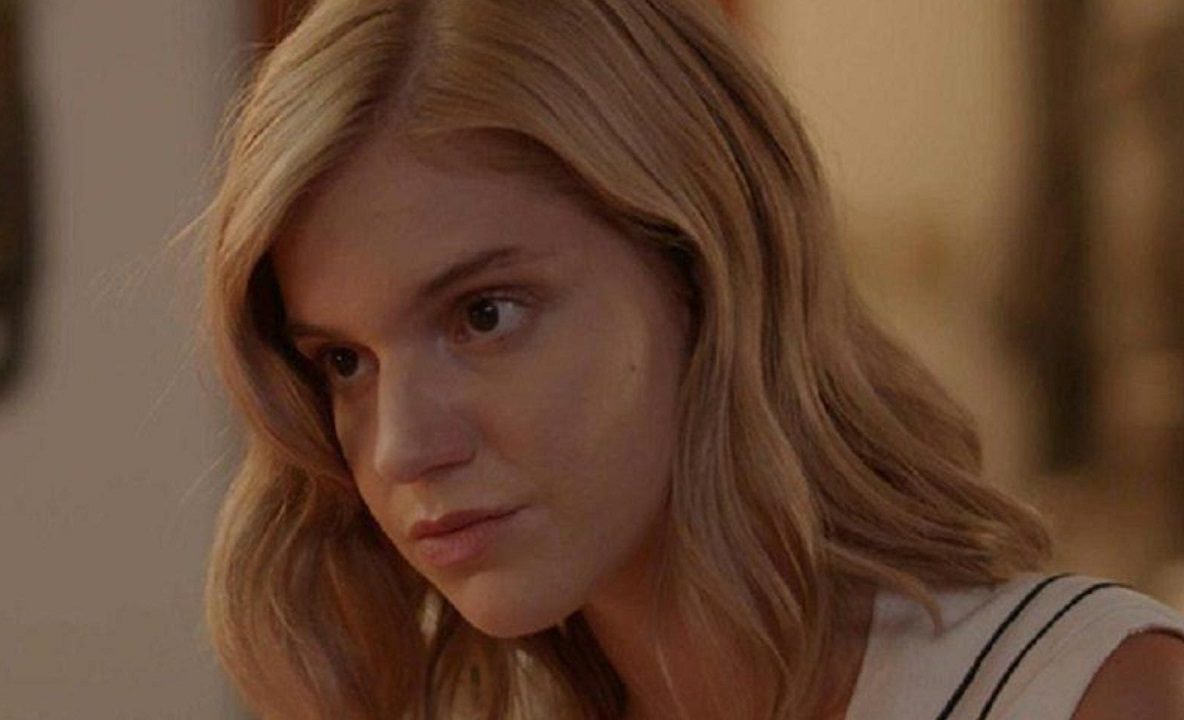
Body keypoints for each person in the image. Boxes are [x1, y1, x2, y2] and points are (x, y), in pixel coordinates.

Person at [196, 0, 1184, 717]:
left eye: (484, 315)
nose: (401, 448)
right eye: (344, 362)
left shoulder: (1082, 693)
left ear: (703, 270)